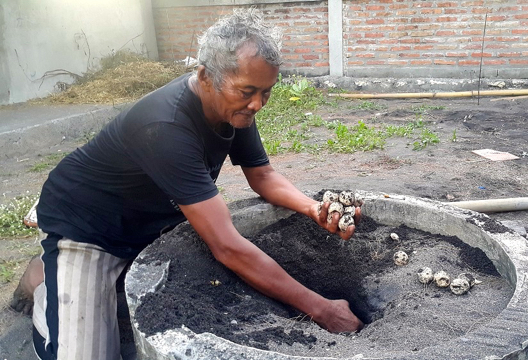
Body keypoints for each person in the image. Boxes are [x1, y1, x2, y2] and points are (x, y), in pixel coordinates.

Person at [10, 8, 363, 360]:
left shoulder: (232, 107)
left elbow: (263, 175)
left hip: (150, 219)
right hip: (88, 227)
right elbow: (227, 246)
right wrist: (320, 309)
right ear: (206, 76)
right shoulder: (165, 128)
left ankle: (84, 275)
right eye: (248, 91)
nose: (257, 104)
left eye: (266, 92)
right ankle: (46, 284)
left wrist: (312, 209)